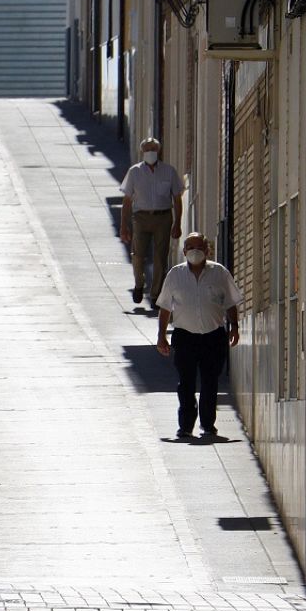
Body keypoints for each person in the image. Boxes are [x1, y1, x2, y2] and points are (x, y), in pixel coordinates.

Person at [156, 233, 242, 438]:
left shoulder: (219, 273)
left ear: (207, 250)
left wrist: (234, 326)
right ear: (184, 251)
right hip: (185, 337)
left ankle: (208, 424)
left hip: (213, 336)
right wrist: (161, 335)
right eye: (191, 247)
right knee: (186, 383)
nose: (195, 251)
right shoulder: (175, 275)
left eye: (199, 247)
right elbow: (165, 307)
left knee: (210, 381)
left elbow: (231, 302)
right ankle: (186, 426)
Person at [118, 137, 185, 308]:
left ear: (158, 151)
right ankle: (139, 284)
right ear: (142, 152)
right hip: (141, 217)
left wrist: (177, 223)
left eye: (153, 149)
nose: (150, 152)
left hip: (163, 217)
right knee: (138, 254)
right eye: (147, 149)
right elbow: (127, 200)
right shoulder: (134, 172)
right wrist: (124, 226)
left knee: (160, 257)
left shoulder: (169, 171)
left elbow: (177, 198)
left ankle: (155, 294)